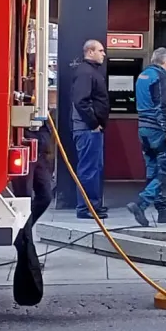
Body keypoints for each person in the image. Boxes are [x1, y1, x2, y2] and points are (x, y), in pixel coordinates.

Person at [127, 47, 166, 227]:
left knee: (152, 168)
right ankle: (141, 203)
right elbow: (162, 106)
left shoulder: (143, 75)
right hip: (157, 130)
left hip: (143, 129)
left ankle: (163, 210)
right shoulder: (160, 77)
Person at [70, 39, 109, 220]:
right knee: (89, 169)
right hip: (87, 129)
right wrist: (94, 123)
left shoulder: (90, 72)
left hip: (91, 129)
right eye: (100, 50)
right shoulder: (86, 73)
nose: (104, 54)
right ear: (90, 52)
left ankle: (93, 205)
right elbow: (81, 102)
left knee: (95, 168)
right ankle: (86, 208)